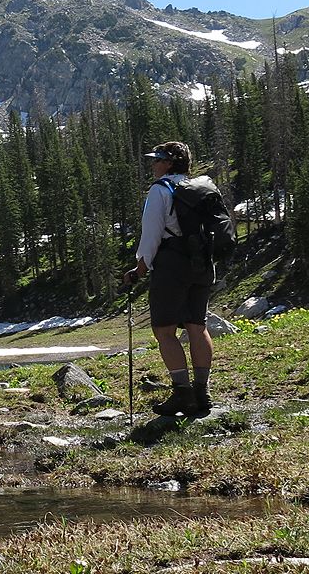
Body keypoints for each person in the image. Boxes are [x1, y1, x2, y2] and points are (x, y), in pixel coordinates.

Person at [124, 141, 215, 418]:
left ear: (169, 163)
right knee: (197, 325)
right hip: (202, 264)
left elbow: (151, 234)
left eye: (157, 160)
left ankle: (182, 393)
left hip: (171, 265)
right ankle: (202, 392)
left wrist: (140, 268)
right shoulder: (201, 188)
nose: (153, 165)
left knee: (164, 330)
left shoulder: (160, 190)